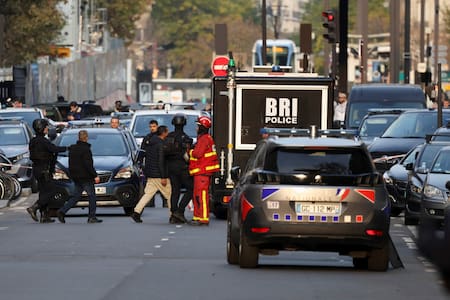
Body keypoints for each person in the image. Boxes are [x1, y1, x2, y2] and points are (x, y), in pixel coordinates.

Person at [56, 130, 102, 223]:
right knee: (92, 196)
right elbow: (88, 164)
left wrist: (72, 174)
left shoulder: (73, 149)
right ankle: (92, 216)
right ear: (86, 138)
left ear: (79, 137)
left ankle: (62, 211)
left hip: (76, 176)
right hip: (86, 177)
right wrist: (95, 175)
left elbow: (70, 163)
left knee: (76, 196)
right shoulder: (86, 150)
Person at [26, 119, 67, 223]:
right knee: (52, 190)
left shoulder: (33, 140)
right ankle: (34, 207)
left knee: (43, 191)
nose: (47, 128)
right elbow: (54, 149)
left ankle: (44, 216)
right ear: (41, 128)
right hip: (44, 169)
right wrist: (67, 148)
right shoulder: (43, 141)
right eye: (45, 127)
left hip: (37, 169)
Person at [131, 125, 171, 223]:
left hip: (150, 173)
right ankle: (173, 214)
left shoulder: (150, 143)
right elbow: (161, 161)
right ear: (164, 133)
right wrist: (163, 176)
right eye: (167, 131)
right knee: (170, 195)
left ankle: (136, 212)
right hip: (158, 175)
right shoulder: (161, 145)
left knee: (147, 195)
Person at [188, 116, 220, 226]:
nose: (196, 128)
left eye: (198, 126)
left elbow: (197, 154)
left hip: (202, 172)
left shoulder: (204, 139)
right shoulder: (205, 138)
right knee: (197, 195)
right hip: (200, 172)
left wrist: (190, 151)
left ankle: (203, 218)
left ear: (202, 127)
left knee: (201, 195)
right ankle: (197, 216)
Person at [165, 113, 193, 224]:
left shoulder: (168, 137)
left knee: (175, 191)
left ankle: (173, 214)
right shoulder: (186, 138)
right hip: (182, 167)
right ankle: (180, 211)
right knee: (191, 188)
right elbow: (187, 156)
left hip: (170, 167)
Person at [139, 119, 169, 208]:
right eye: (151, 126)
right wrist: (141, 163)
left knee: (163, 187)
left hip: (159, 166)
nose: (152, 128)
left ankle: (166, 202)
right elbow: (143, 151)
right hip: (150, 166)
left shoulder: (162, 138)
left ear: (157, 126)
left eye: (154, 126)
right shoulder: (147, 138)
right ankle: (150, 203)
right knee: (150, 188)